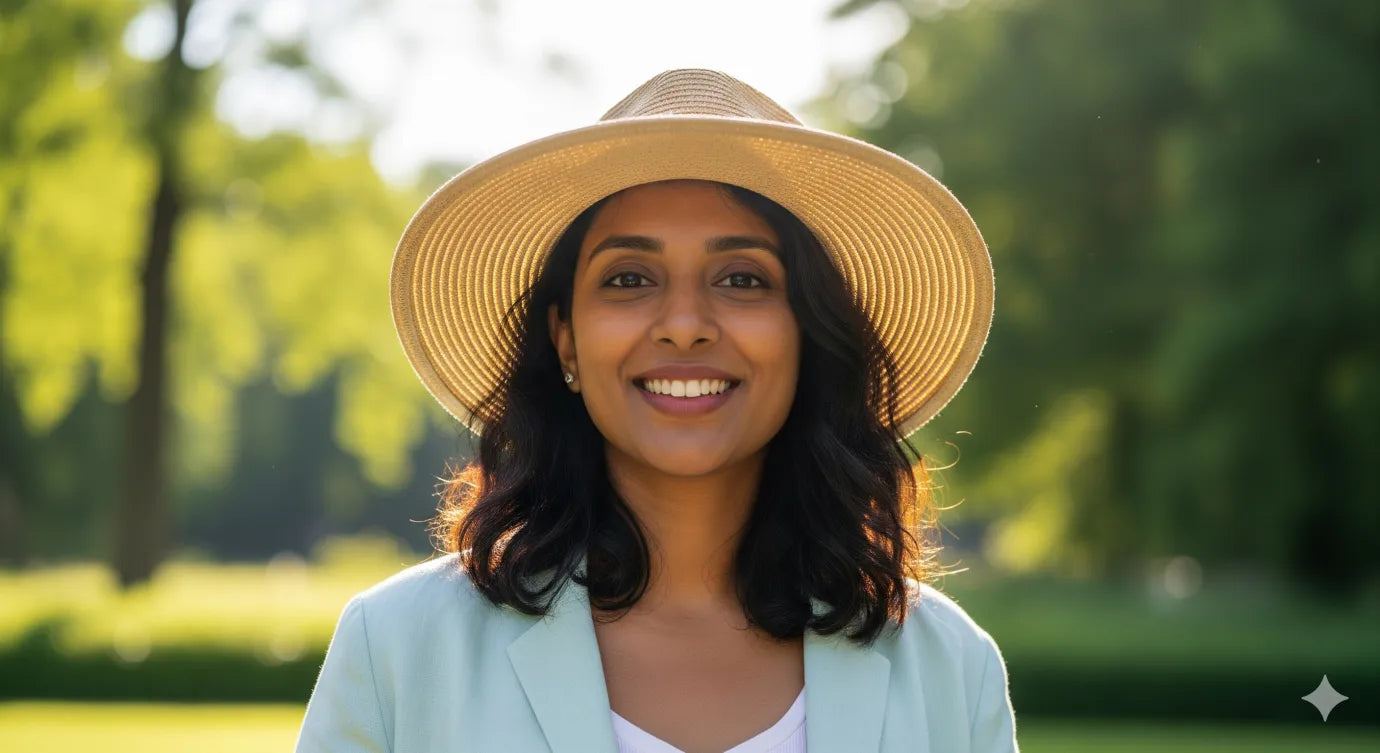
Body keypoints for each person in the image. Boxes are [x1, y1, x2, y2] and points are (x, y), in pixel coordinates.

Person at [296, 68, 1017, 753]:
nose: (683, 323)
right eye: (629, 277)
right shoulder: (398, 647)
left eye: (742, 277)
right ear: (566, 341)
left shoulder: (949, 669)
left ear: (808, 334)